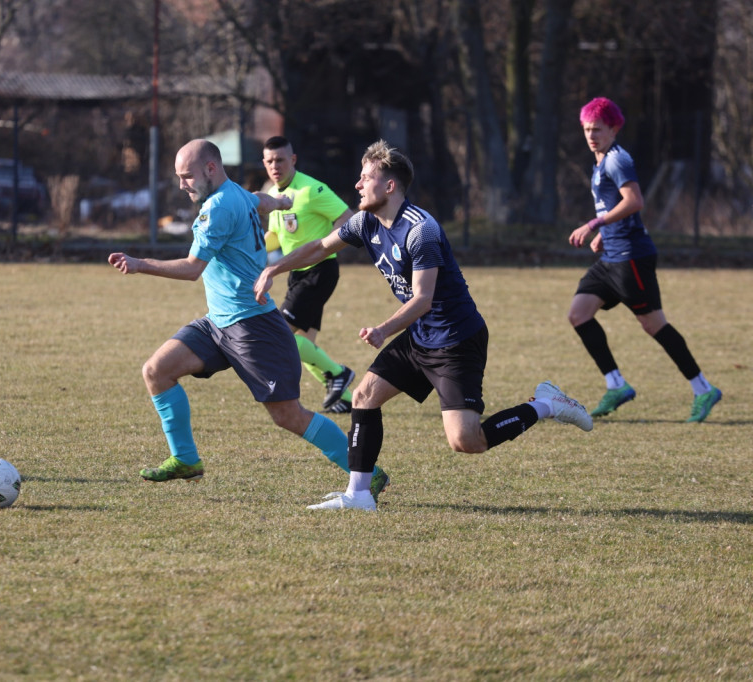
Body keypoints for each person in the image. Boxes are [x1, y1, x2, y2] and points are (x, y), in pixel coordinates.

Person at [254, 139, 593, 511]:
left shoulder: (421, 230)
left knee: (467, 441)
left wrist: (383, 329)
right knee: (365, 396)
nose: (357, 185)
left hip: (455, 340)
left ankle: (546, 404)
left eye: (365, 178)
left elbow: (423, 299)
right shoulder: (366, 221)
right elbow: (319, 247)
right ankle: (359, 495)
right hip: (420, 335)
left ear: (389, 186)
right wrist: (274, 267)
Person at [108, 139, 389, 497]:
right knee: (156, 371)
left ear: (211, 168)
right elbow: (264, 199)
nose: (182, 185)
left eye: (187, 176)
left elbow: (193, 269)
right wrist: (282, 201)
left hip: (254, 327)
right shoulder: (239, 194)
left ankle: (367, 471)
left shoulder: (220, 207)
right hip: (218, 323)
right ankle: (185, 460)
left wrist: (139, 264)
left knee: (288, 416)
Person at [568, 97, 722, 422]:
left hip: (631, 258)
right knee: (579, 314)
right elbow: (613, 207)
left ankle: (703, 388)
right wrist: (603, 235)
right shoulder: (600, 160)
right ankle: (617, 385)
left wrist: (595, 225)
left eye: (597, 129)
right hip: (611, 255)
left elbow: (634, 201)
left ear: (613, 128)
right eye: (587, 129)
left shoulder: (616, 160)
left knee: (653, 325)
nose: (591, 135)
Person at [262, 136, 357, 414]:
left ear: (292, 160)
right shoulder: (273, 194)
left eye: (280, 159)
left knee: (280, 335)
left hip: (320, 270)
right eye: (269, 161)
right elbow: (277, 237)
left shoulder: (311, 189)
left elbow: (347, 218)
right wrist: (252, 249)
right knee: (304, 345)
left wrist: (323, 246)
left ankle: (338, 374)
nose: (275, 166)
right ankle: (346, 398)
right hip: (297, 274)